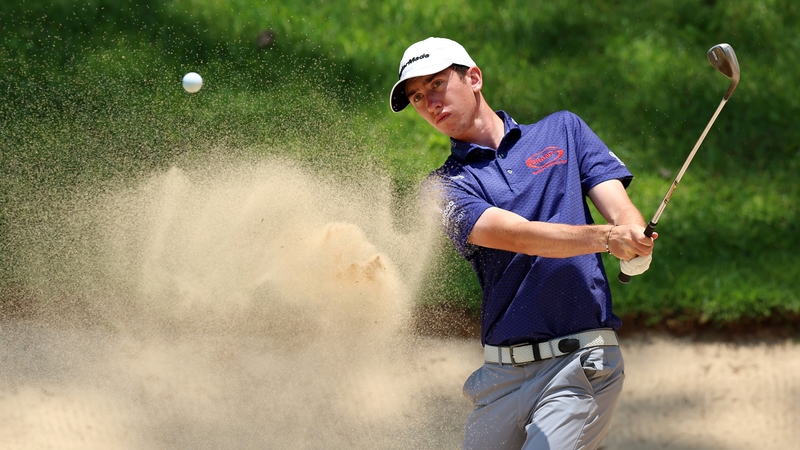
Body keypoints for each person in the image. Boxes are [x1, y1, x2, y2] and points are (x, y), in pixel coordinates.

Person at [389, 37, 657, 450]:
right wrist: (608, 238)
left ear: (473, 77)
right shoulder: (442, 188)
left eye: (437, 84)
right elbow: (517, 236)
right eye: (418, 97)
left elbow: (621, 210)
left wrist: (633, 238)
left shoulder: (564, 130)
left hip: (579, 364)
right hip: (500, 379)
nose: (430, 103)